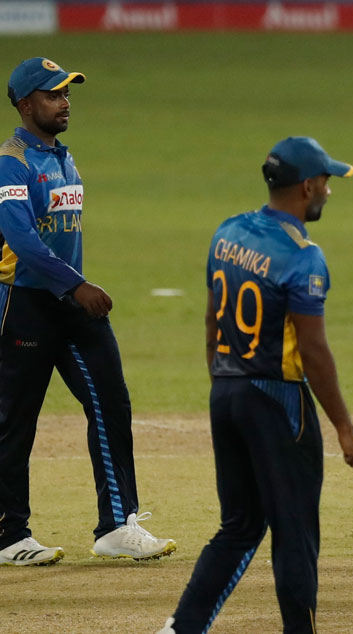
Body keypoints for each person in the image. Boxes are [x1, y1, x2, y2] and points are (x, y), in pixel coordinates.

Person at [157, 137, 353, 634]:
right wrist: (345, 429)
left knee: (239, 526)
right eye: (326, 182)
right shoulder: (303, 257)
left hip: (226, 391)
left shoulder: (228, 232)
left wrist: (223, 381)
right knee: (294, 533)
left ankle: (183, 627)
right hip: (279, 403)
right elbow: (313, 352)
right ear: (307, 186)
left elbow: (211, 317)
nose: (329, 191)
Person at [0, 57, 176, 566]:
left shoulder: (62, 157)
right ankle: (10, 534)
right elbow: (21, 240)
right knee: (16, 420)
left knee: (111, 404)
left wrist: (74, 290)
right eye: (54, 95)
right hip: (25, 303)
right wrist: (76, 285)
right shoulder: (11, 161)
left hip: (71, 305)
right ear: (25, 104)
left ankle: (117, 526)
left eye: (67, 93)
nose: (65, 102)